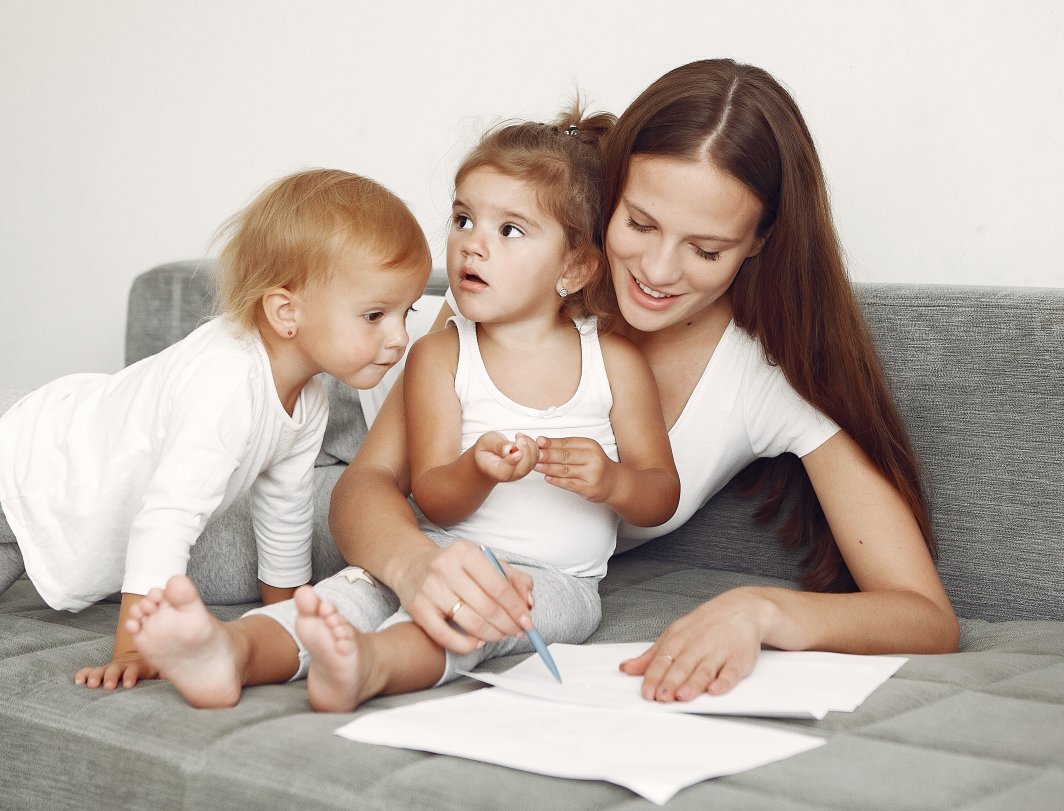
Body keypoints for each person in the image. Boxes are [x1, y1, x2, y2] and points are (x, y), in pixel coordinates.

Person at [328, 59, 960, 706]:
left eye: (706, 250)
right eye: (639, 224)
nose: (657, 271)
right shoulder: (515, 281)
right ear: (611, 193)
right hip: (344, 459)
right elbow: (365, 485)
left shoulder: (764, 378)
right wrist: (413, 567)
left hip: (506, 571)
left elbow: (924, 615)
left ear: (761, 241)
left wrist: (758, 612)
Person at [126, 108, 679, 712]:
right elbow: (434, 497)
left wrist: (612, 478)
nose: (473, 243)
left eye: (509, 230)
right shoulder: (441, 355)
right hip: (435, 548)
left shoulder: (614, 362)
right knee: (343, 596)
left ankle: (370, 666)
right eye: (464, 218)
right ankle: (229, 651)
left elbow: (659, 495)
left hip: (558, 582)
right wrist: (477, 470)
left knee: (470, 621)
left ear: (574, 268)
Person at [0, 168, 431, 691]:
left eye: (405, 313)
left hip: (45, 493)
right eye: (374, 315)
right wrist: (138, 647)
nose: (400, 338)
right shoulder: (227, 381)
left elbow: (284, 518)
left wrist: (291, 623)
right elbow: (168, 518)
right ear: (285, 312)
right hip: (25, 464)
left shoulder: (308, 399)